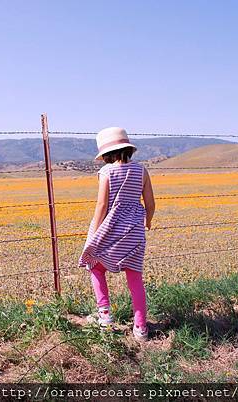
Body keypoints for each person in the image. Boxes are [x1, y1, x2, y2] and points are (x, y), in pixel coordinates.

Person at [78, 127, 155, 342]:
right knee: (135, 278)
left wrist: (94, 231)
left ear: (106, 154)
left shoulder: (106, 173)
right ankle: (140, 328)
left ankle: (104, 316)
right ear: (128, 149)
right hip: (134, 234)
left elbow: (102, 205)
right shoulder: (142, 171)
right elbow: (150, 203)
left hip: (111, 230)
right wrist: (147, 221)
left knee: (94, 264)